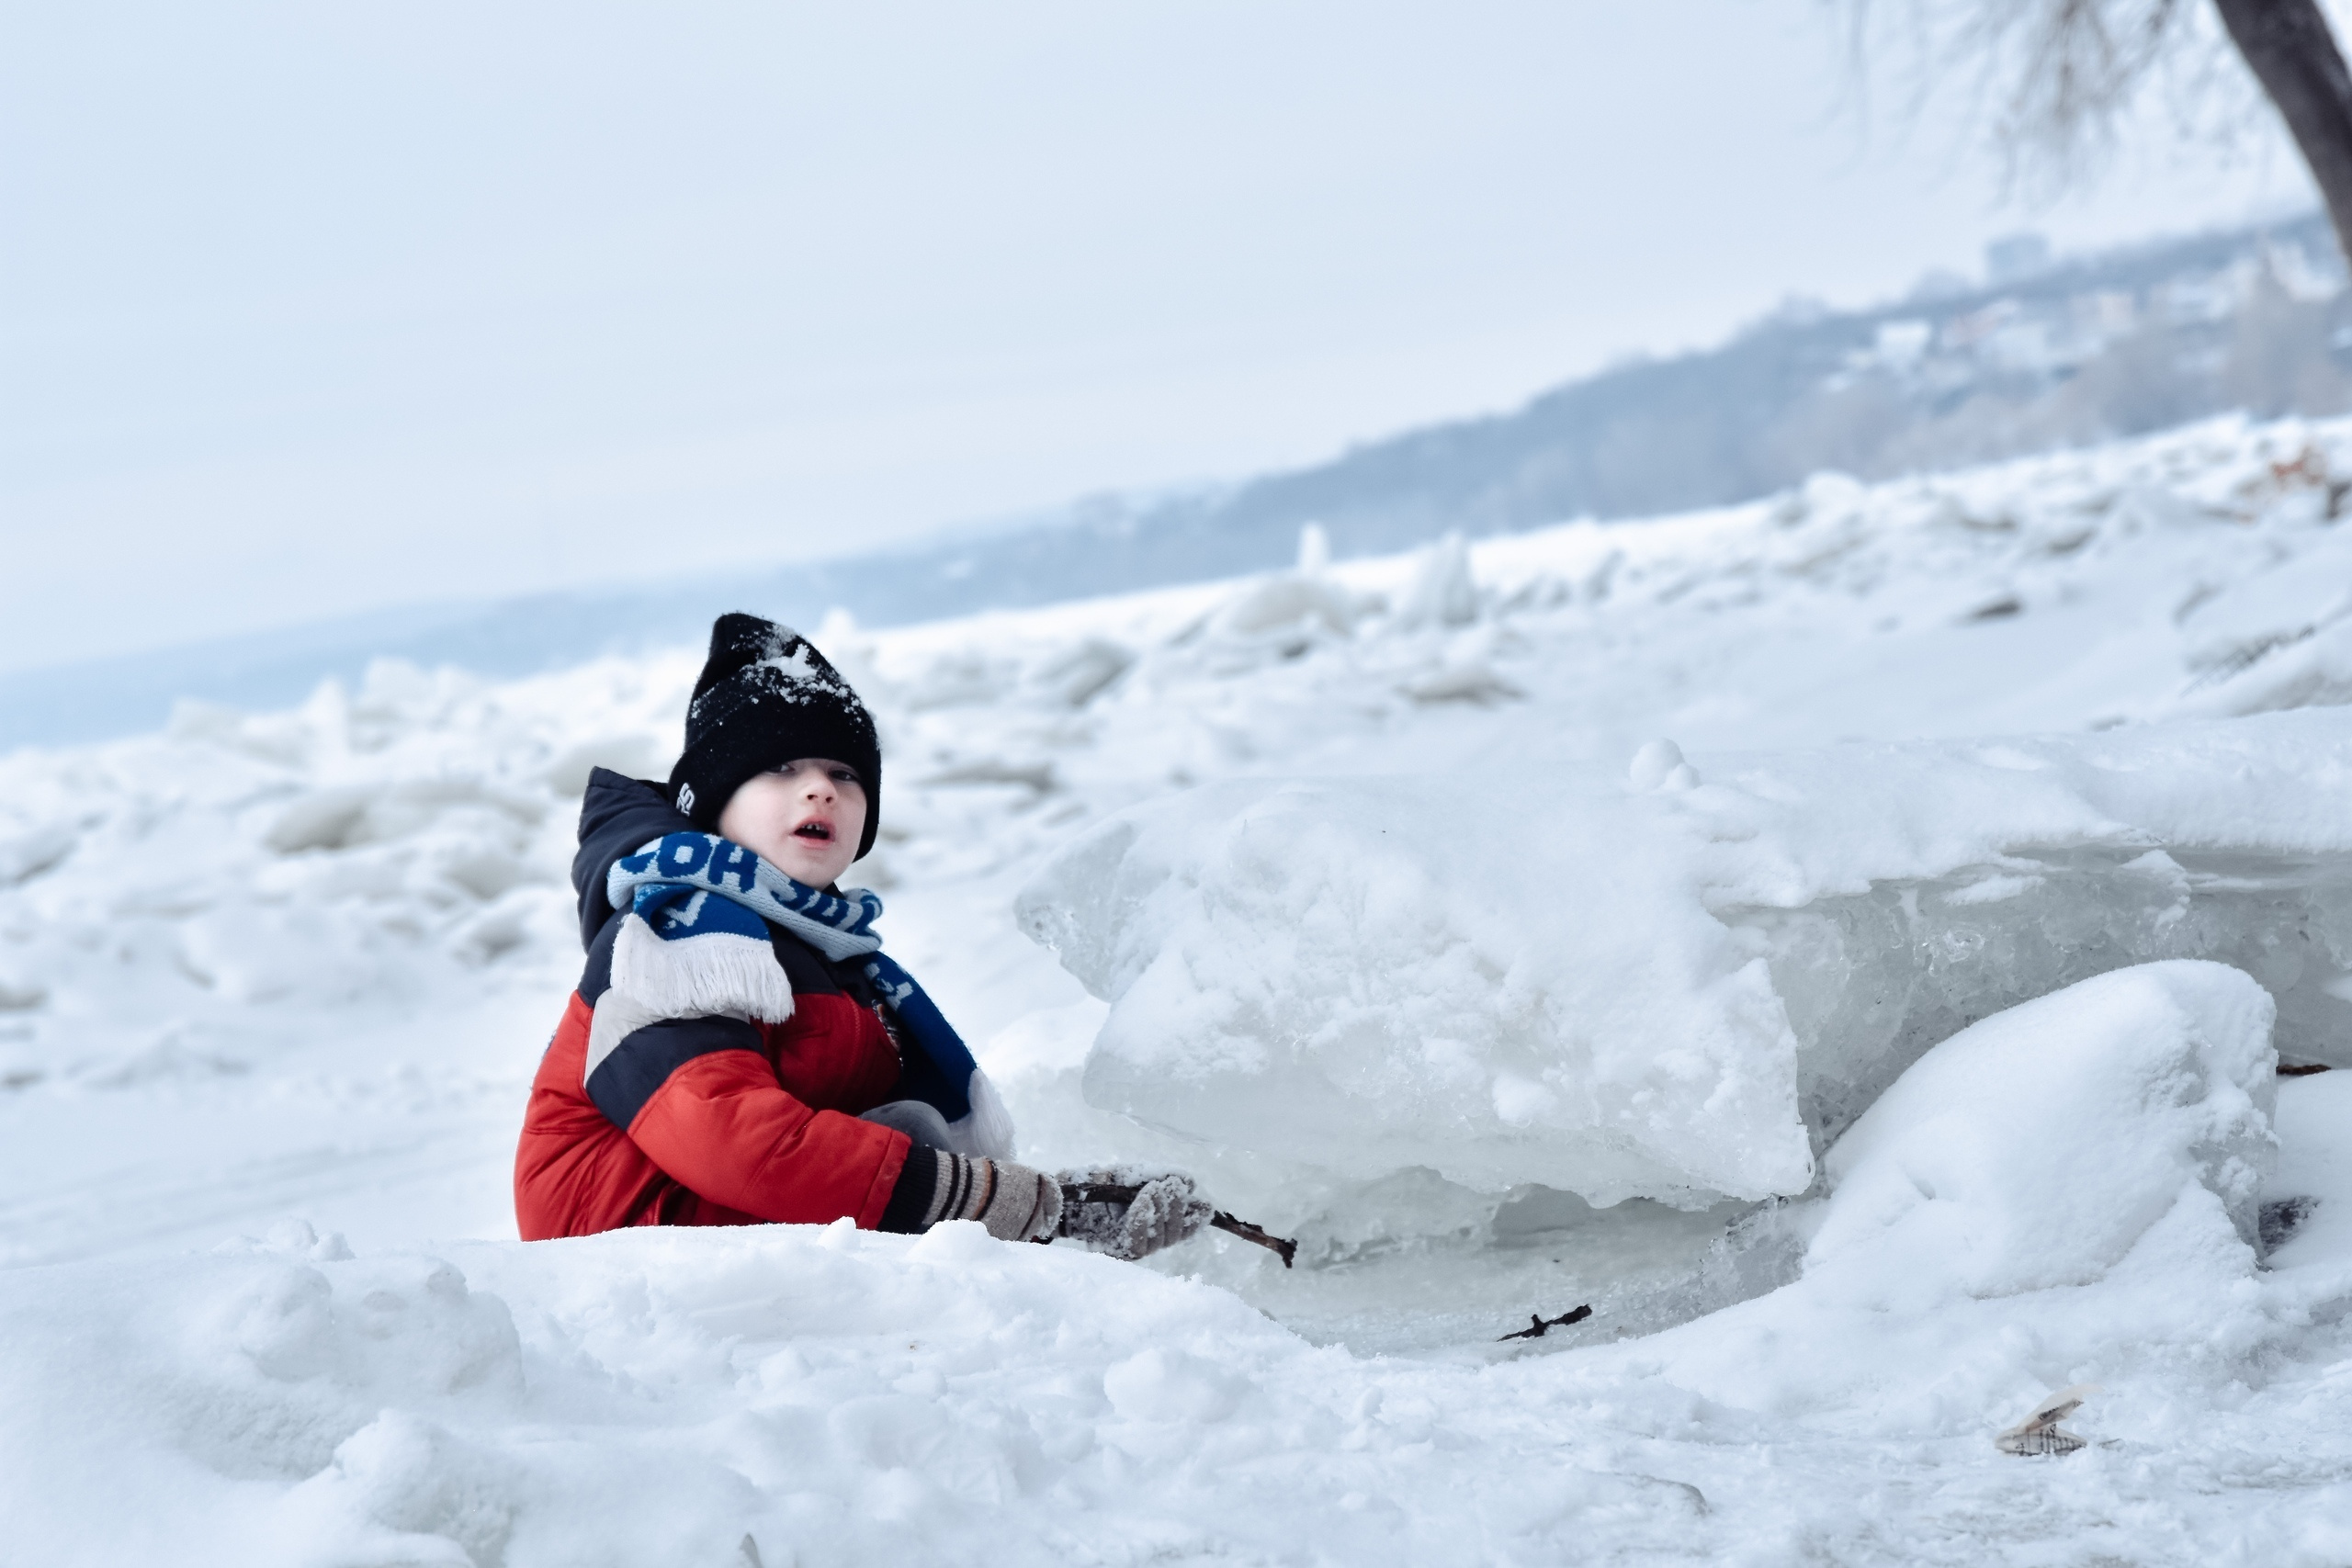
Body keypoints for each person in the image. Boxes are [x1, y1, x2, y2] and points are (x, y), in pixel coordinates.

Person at [514, 613, 1205, 1260]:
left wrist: (1033, 1201)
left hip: (729, 1220)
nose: (820, 791)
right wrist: (1020, 1207)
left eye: (844, 774)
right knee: (914, 1148)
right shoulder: (675, 934)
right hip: (628, 1245)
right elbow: (729, 1138)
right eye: (780, 768)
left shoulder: (827, 950)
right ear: (714, 801)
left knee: (910, 1127)